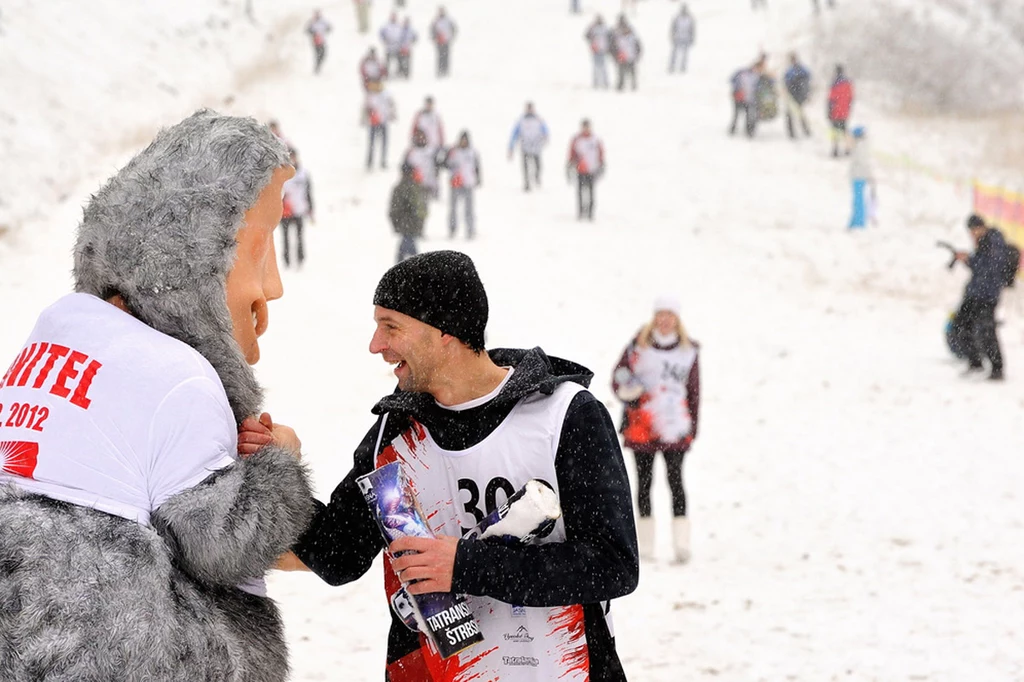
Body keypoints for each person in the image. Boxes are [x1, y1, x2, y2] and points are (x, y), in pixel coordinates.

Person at [0, 111, 313, 680]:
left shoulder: (59, 327)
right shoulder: (179, 375)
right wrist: (277, 466)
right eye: (259, 251)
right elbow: (221, 544)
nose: (273, 287)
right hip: (99, 641)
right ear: (198, 261)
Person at [286, 250, 639, 680]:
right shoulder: (394, 434)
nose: (375, 345)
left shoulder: (565, 415)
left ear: (444, 333)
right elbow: (335, 555)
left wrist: (465, 565)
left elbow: (613, 564)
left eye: (390, 327)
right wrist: (280, 469)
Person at [612, 296, 700, 563]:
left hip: (675, 427)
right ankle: (646, 547)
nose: (664, 320)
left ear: (677, 319)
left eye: (669, 315)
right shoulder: (636, 347)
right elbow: (618, 378)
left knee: (675, 482)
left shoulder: (688, 351)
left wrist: (693, 426)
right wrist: (631, 393)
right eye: (660, 314)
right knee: (644, 483)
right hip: (642, 427)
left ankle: (681, 545)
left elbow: (694, 390)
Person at [951, 215, 1013, 380]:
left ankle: (997, 369)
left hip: (987, 295)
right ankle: (975, 362)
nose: (972, 235)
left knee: (987, 331)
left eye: (973, 231)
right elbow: (980, 266)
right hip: (975, 292)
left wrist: (970, 259)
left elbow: (989, 268)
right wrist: (968, 260)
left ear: (981, 227)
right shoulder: (985, 241)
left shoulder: (994, 241)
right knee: (961, 326)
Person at [281, 148, 315, 268]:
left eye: (293, 157)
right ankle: (287, 261)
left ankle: (300, 259)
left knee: (299, 237)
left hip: (299, 210)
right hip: (285, 212)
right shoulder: (282, 173)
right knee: (285, 238)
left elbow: (309, 192)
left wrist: (311, 210)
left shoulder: (304, 173)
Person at [444, 131, 481, 239]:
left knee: (469, 208)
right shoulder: (454, 151)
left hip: (468, 182)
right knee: (453, 208)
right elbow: (446, 163)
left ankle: (470, 229)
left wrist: (478, 179)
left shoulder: (473, 152)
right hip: (455, 183)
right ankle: (452, 228)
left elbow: (477, 166)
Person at [389, 162, 427, 262]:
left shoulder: (401, 187)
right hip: (410, 222)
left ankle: (406, 266)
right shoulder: (414, 186)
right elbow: (421, 206)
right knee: (409, 246)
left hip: (406, 222)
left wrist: (395, 220)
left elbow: (394, 208)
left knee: (406, 245)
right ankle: (416, 266)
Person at [567, 118, 605, 221]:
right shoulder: (577, 139)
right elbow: (572, 153)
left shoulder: (595, 139)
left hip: (592, 169)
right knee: (580, 192)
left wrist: (602, 164)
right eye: (584, 127)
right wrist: (570, 164)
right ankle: (580, 211)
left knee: (591, 192)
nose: (586, 129)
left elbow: (600, 153)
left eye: (587, 127)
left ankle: (590, 212)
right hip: (580, 170)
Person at [508, 102, 550, 192]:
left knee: (538, 165)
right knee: (525, 166)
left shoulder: (538, 120)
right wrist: (511, 147)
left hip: (536, 147)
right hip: (525, 146)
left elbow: (545, 130)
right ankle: (527, 182)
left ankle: (536, 177)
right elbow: (514, 134)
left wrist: (546, 138)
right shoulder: (521, 121)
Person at [364, 80, 397, 171]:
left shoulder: (386, 94)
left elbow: (391, 104)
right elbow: (366, 108)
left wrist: (392, 114)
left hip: (383, 121)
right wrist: (366, 118)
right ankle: (370, 161)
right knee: (372, 143)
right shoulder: (371, 95)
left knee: (384, 143)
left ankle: (383, 161)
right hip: (374, 122)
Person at [404, 128, 442, 202]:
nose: (420, 139)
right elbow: (404, 168)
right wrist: (412, 172)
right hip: (415, 185)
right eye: (418, 137)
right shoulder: (411, 152)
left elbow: (440, 163)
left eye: (422, 137)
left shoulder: (432, 151)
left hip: (429, 184)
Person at [848, 126, 875, 229]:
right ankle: (855, 221)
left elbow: (863, 163)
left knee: (859, 201)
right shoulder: (860, 146)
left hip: (859, 176)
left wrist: (869, 175)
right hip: (858, 175)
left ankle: (859, 222)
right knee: (857, 200)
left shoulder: (860, 147)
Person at [729, 59, 762, 137]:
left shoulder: (758, 76)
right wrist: (737, 89)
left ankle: (748, 131)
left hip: (749, 99)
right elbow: (732, 80)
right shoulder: (743, 73)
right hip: (739, 98)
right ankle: (733, 129)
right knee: (736, 114)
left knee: (748, 115)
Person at [784, 53, 812, 139]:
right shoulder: (801, 69)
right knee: (799, 113)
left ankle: (794, 132)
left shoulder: (792, 70)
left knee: (792, 114)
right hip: (798, 95)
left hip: (794, 95)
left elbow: (786, 80)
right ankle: (804, 130)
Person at [828, 65, 854, 157]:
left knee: (835, 131)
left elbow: (831, 99)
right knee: (845, 130)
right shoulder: (848, 83)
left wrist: (829, 111)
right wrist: (848, 108)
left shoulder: (834, 83)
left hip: (835, 111)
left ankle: (835, 149)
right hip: (844, 111)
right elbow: (851, 98)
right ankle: (848, 148)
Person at [612, 15, 642, 91]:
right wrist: (616, 56)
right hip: (622, 57)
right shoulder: (618, 36)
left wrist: (637, 55)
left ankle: (633, 85)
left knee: (632, 73)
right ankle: (620, 86)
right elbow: (614, 47)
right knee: (621, 73)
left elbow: (638, 46)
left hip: (631, 57)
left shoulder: (632, 37)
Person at [431, 7, 457, 78]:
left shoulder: (448, 20)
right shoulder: (436, 20)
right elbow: (432, 30)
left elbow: (454, 29)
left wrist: (451, 37)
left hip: (446, 41)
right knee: (440, 57)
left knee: (446, 56)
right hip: (439, 42)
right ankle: (440, 70)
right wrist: (435, 38)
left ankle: (445, 70)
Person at [586, 15, 611, 89]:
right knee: (596, 67)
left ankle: (605, 82)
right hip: (596, 50)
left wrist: (608, 48)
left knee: (603, 67)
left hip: (603, 49)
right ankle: (596, 82)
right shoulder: (593, 28)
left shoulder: (605, 28)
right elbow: (586, 35)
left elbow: (610, 38)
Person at [669, 5, 695, 74]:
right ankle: (672, 66)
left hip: (686, 38)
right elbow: (673, 27)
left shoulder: (690, 19)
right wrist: (672, 36)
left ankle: (682, 67)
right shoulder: (677, 18)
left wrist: (692, 38)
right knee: (674, 53)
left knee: (685, 54)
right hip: (677, 37)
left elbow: (692, 29)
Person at [306, 10, 332, 74]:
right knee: (317, 55)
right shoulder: (311, 22)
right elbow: (307, 30)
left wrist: (327, 29)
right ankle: (317, 68)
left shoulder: (323, 21)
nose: (317, 16)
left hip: (322, 41)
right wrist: (313, 33)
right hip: (315, 41)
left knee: (323, 54)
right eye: (316, 14)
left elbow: (329, 27)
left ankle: (318, 66)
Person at [380, 12, 404, 76]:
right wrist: (384, 39)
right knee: (387, 62)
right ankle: (386, 73)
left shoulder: (399, 25)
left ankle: (400, 72)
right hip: (389, 47)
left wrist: (401, 43)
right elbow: (381, 34)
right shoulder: (386, 26)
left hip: (397, 47)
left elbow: (402, 35)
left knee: (399, 61)